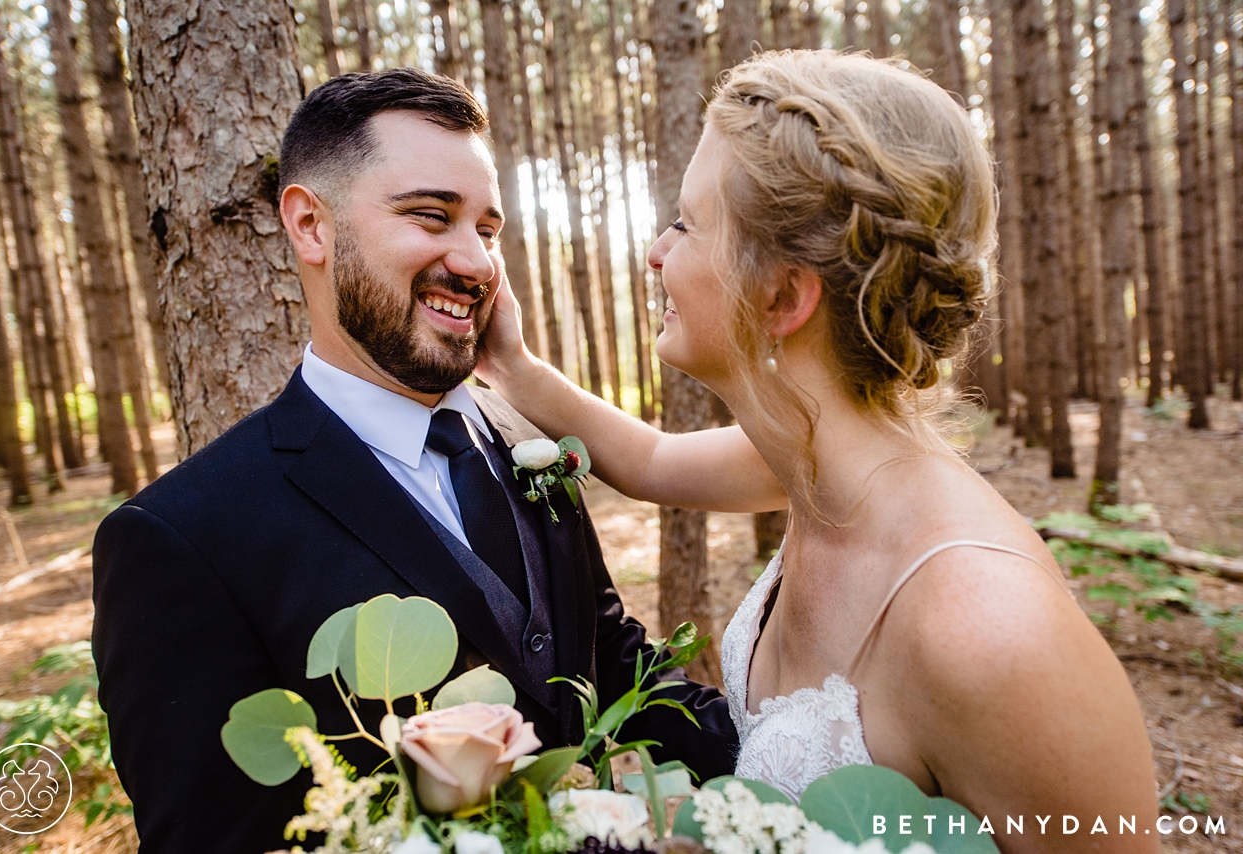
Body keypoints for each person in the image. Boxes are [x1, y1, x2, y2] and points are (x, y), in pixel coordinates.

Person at [476, 51, 1159, 850]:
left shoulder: (987, 630)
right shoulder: (807, 463)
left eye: (686, 224)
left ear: (783, 296)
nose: (657, 251)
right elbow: (653, 462)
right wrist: (511, 365)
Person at [91, 68, 736, 854]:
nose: (476, 263)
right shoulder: (182, 540)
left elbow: (610, 667)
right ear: (309, 226)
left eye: (488, 229)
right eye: (432, 217)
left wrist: (790, 759)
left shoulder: (519, 434)